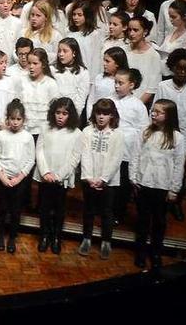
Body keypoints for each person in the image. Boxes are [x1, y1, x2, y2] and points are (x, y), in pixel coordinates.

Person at [131, 99, 186, 270]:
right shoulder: (145, 132)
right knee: (143, 220)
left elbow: (179, 164)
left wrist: (174, 189)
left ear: (168, 116)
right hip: (144, 183)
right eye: (153, 111)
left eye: (158, 112)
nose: (153, 114)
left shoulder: (177, 138)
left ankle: (155, 253)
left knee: (159, 222)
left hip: (163, 186)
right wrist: (133, 178)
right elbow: (135, 156)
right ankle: (140, 252)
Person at [155, 49, 186, 222]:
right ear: (173, 67)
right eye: (179, 68)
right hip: (163, 134)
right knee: (161, 166)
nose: (182, 72)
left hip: (184, 136)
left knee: (179, 171)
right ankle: (160, 201)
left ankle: (175, 203)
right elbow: (156, 109)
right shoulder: (163, 86)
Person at [34, 97, 83, 254]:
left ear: (71, 115)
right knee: (44, 207)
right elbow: (39, 150)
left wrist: (59, 175)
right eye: (58, 112)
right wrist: (46, 172)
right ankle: (44, 235)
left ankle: (56, 237)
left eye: (65, 113)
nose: (60, 116)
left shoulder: (76, 133)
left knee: (60, 209)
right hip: (45, 175)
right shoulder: (45, 128)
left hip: (62, 179)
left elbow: (75, 158)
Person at [78, 98, 124, 259]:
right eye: (98, 113)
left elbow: (115, 159)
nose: (101, 117)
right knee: (89, 210)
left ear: (112, 115)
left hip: (108, 181)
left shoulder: (117, 135)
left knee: (107, 211)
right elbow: (85, 155)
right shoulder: (87, 131)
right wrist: (90, 178)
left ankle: (106, 241)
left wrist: (103, 179)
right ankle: (86, 238)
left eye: (106, 114)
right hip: (90, 178)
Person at [0, 99, 35, 254]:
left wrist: (19, 177)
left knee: (16, 210)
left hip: (19, 180)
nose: (15, 122)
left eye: (18, 119)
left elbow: (31, 159)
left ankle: (12, 237)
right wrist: (2, 176)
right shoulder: (1, 135)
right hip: (3, 177)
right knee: (2, 208)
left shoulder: (28, 137)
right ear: (7, 119)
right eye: (12, 119)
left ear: (23, 120)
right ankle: (0, 235)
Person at [112, 68, 151, 226]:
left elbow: (143, 130)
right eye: (115, 82)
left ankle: (118, 212)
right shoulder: (110, 100)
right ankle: (105, 209)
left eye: (120, 83)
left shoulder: (138, 105)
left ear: (132, 85)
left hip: (127, 150)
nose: (116, 86)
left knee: (122, 184)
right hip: (111, 148)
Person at [155, 0, 186, 77]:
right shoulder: (173, 30)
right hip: (161, 74)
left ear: (184, 16)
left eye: (173, 17)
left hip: (174, 78)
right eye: (169, 16)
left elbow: (184, 64)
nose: (170, 19)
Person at [126, 16, 162, 105]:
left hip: (142, 103)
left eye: (135, 30)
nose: (131, 33)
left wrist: (137, 105)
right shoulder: (124, 50)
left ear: (145, 32)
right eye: (129, 30)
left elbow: (153, 87)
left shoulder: (153, 55)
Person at [52, 38, 90, 116]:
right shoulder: (52, 69)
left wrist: (73, 117)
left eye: (65, 51)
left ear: (74, 53)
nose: (61, 54)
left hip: (72, 115)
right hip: (53, 113)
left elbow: (80, 100)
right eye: (59, 51)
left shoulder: (83, 72)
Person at [87, 47, 128, 118]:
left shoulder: (123, 82)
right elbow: (91, 100)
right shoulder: (99, 78)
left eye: (107, 61)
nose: (104, 64)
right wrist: (90, 117)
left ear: (117, 63)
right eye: (104, 60)